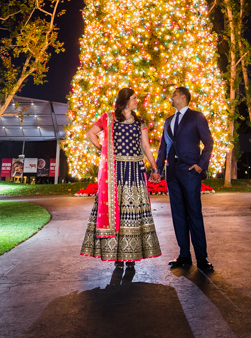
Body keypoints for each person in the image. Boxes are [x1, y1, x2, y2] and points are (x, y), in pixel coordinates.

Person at [80, 88, 162, 269]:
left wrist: (154, 168)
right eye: (134, 98)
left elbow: (146, 147)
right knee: (116, 213)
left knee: (132, 214)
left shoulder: (140, 122)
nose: (137, 101)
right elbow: (90, 133)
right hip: (115, 172)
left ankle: (131, 255)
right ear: (125, 100)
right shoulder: (109, 118)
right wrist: (103, 148)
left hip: (134, 172)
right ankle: (117, 255)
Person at [154, 86, 214, 271]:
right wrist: (158, 169)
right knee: (178, 214)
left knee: (194, 213)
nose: (170, 98)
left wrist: (200, 165)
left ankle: (202, 258)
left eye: (173, 95)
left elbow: (209, 142)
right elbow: (163, 147)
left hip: (190, 171)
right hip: (172, 172)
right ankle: (184, 256)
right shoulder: (168, 121)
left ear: (182, 97)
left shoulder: (197, 117)